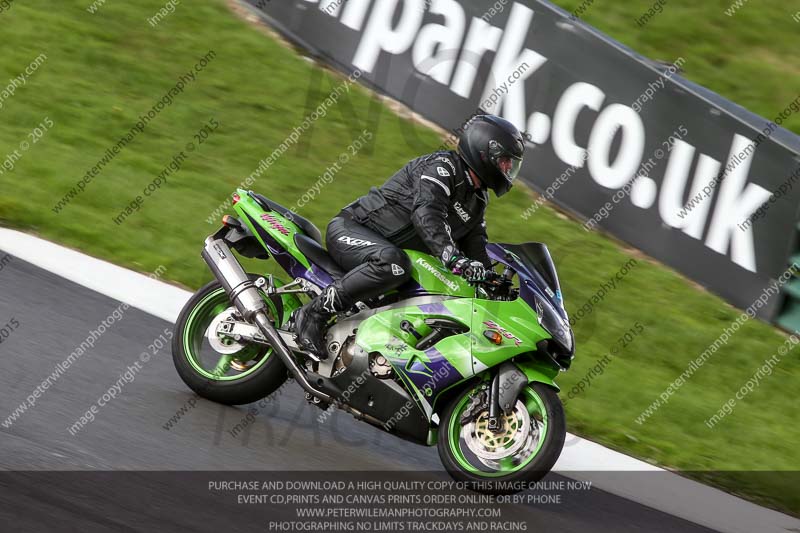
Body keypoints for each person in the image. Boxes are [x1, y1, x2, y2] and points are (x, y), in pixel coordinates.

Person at [292, 114, 525, 358]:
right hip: (352, 230)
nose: (508, 169)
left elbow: (477, 247)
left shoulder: (477, 200)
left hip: (389, 254)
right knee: (394, 263)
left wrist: (493, 282)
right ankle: (313, 313)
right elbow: (427, 213)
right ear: (483, 151)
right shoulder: (443, 167)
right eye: (505, 161)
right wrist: (453, 258)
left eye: (511, 163)